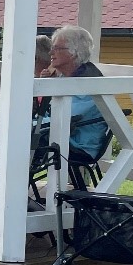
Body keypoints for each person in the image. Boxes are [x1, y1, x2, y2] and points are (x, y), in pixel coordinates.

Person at [42, 25, 110, 165]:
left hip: (79, 145)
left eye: (57, 48)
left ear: (74, 53)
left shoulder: (88, 81)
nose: (51, 52)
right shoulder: (67, 78)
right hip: (62, 136)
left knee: (15, 136)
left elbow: (66, 117)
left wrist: (25, 124)